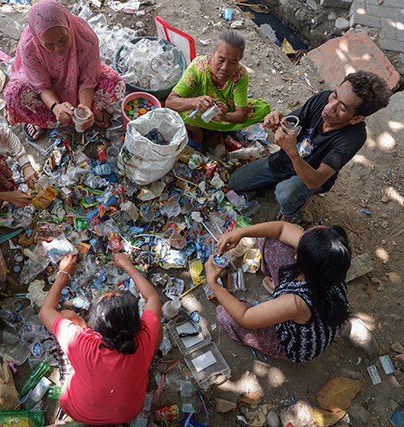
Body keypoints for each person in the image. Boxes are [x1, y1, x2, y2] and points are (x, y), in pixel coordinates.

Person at [228, 70, 391, 223]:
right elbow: (291, 123)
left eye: (341, 108)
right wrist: (278, 121)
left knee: (286, 192)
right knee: (235, 182)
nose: (330, 107)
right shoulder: (322, 99)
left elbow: (316, 180)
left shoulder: (354, 137)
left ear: (356, 118)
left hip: (311, 175)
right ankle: (282, 183)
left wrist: (293, 154)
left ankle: (294, 212)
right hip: (285, 161)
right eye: (334, 96)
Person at [39, 253, 162, 425]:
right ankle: (151, 359)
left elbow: (45, 312)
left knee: (67, 315)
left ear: (94, 328)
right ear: (136, 322)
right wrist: (128, 265)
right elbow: (153, 298)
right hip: (130, 412)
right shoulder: (145, 335)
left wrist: (63, 273)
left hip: (78, 411)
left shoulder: (81, 343)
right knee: (158, 328)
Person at [204, 221, 352, 363]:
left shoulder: (296, 303)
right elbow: (281, 229)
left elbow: (245, 318)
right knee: (269, 239)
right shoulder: (332, 264)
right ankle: (278, 289)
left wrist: (213, 283)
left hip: (295, 342)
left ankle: (278, 296)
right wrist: (240, 233)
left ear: (298, 257)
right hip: (308, 303)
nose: (300, 236)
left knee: (226, 315)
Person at [3, 0, 125, 141]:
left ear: (68, 25)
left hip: (77, 82)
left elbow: (88, 79)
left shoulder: (85, 36)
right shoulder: (29, 46)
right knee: (14, 94)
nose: (58, 49)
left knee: (115, 82)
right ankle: (42, 120)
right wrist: (55, 106)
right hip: (46, 87)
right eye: (49, 45)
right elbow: (41, 85)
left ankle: (89, 112)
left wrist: (84, 109)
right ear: (37, 39)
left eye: (63, 40)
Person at [165, 31, 270, 144]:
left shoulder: (240, 75)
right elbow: (170, 102)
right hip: (197, 112)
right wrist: (196, 101)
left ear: (239, 61)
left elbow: (241, 115)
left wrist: (225, 116)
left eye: (232, 63)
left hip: (224, 111)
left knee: (263, 110)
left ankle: (224, 127)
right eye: (221, 60)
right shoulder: (197, 68)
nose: (224, 68)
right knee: (178, 112)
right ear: (213, 53)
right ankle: (197, 130)